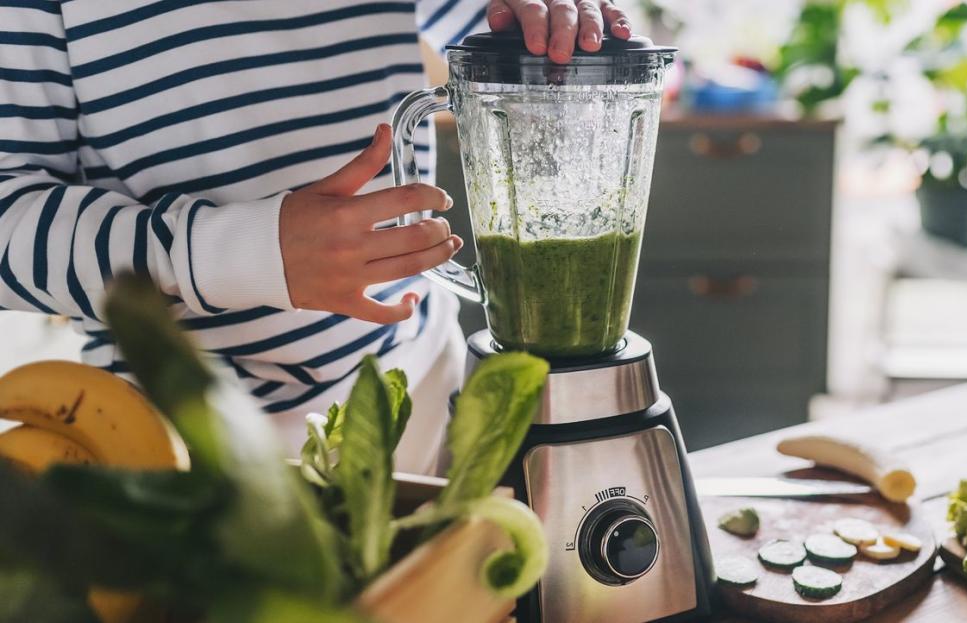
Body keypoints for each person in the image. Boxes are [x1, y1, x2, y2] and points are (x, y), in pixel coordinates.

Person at [0, 0, 632, 473]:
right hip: (176, 432)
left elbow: (503, 24)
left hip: (424, 389)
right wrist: (233, 252)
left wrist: (547, 17)